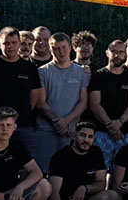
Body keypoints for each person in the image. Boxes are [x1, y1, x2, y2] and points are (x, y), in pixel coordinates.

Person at [0, 27, 43, 163]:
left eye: (14, 42)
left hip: (22, 126)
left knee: (28, 167)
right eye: (6, 43)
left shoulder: (29, 68)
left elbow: (34, 98)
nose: (10, 46)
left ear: (19, 43)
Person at [34, 33, 90, 173]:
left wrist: (66, 122)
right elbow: (41, 102)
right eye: (56, 48)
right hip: (46, 130)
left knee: (69, 172)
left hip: (71, 131)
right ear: (50, 49)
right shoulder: (42, 72)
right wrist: (57, 122)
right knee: (44, 171)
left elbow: (83, 102)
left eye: (64, 47)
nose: (61, 51)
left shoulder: (82, 72)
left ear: (70, 47)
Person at [45, 121, 115, 200]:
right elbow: (54, 191)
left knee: (112, 196)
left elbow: (101, 184)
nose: (86, 140)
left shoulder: (96, 152)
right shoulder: (61, 156)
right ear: (74, 135)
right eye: (82, 135)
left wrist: (84, 188)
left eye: (90, 137)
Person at [87, 38, 128, 166]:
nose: (117, 55)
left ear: (125, 54)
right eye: (114, 51)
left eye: (121, 52)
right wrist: (110, 125)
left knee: (123, 172)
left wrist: (120, 122)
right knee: (100, 170)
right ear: (107, 53)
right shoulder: (98, 76)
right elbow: (95, 105)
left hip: (125, 133)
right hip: (102, 132)